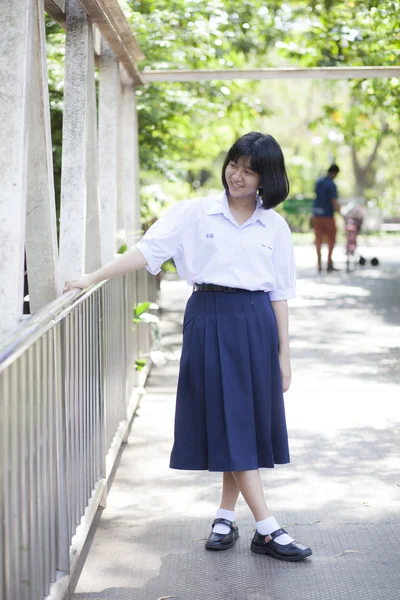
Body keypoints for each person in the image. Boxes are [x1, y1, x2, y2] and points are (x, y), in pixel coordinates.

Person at [64, 132, 312, 563]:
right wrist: (91, 278)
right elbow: (145, 252)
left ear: (266, 178)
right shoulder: (194, 214)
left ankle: (224, 515)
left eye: (249, 170)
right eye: (234, 164)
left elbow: (280, 293)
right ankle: (268, 528)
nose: (238, 175)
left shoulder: (275, 225)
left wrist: (284, 355)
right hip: (210, 317)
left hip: (255, 322)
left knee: (243, 422)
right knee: (229, 417)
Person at [312, 164, 342, 272]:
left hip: (316, 215)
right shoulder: (331, 184)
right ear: (335, 173)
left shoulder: (318, 182)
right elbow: (333, 201)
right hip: (328, 216)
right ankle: (329, 263)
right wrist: (340, 213)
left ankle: (319, 263)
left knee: (318, 240)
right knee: (331, 240)